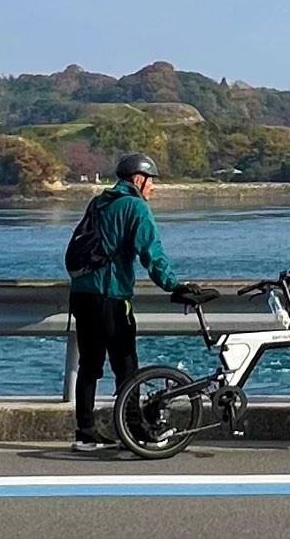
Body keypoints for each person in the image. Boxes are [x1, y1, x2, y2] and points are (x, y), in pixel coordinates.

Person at [67, 153, 197, 452]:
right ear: (139, 179)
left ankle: (84, 433)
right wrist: (173, 286)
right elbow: (151, 251)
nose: (153, 188)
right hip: (111, 296)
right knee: (126, 366)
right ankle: (135, 430)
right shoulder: (135, 206)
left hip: (82, 294)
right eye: (151, 181)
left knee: (89, 365)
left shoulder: (100, 202)